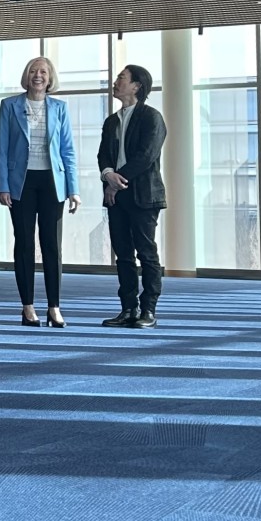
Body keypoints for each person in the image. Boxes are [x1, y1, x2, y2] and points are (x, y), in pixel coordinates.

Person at [0, 57, 80, 327]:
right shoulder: (9, 106)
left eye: (43, 71)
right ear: (26, 75)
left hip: (53, 182)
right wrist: (2, 185)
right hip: (22, 182)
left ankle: (54, 307)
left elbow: (68, 151)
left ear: (50, 77)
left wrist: (73, 189)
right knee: (24, 244)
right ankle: (28, 306)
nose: (38, 75)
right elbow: (2, 148)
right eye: (33, 70)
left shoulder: (60, 108)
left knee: (52, 245)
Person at [100, 63, 167, 328]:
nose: (116, 81)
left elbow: (146, 156)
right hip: (116, 196)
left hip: (144, 195)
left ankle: (148, 309)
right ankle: (128, 308)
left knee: (147, 253)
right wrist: (108, 174)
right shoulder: (111, 121)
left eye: (121, 78)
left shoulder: (152, 117)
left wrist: (116, 181)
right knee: (123, 255)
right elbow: (103, 155)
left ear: (136, 86)